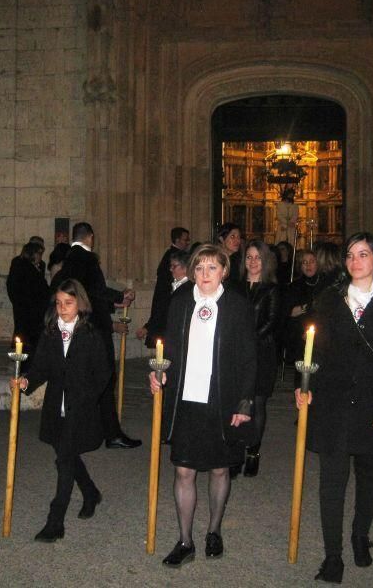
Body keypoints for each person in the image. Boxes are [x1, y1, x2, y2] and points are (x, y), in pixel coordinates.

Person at [295, 232, 373, 584]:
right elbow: (315, 350)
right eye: (350, 255)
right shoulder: (330, 298)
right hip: (333, 401)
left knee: (369, 475)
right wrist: (305, 387)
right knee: (332, 481)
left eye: (363, 254)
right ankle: (333, 556)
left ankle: (361, 535)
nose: (355, 261)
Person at [149, 243, 256, 567]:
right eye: (199, 268)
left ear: (224, 270)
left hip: (222, 398)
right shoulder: (181, 301)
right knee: (184, 470)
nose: (205, 274)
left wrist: (245, 401)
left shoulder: (238, 305)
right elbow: (166, 347)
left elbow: (250, 358)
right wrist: (158, 372)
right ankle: (185, 540)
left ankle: (213, 530)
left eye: (212, 267)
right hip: (187, 398)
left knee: (220, 467)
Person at [13, 279, 112, 542]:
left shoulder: (90, 334)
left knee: (64, 461)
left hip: (81, 407)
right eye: (58, 303)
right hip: (56, 406)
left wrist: (88, 398)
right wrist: (26, 381)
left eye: (68, 303)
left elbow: (103, 373)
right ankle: (90, 492)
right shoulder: (51, 332)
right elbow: (41, 367)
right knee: (65, 455)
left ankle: (55, 521)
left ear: (80, 303)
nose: (62, 308)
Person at [51, 222, 140, 449]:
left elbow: (83, 293)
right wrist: (119, 295)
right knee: (104, 378)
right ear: (90, 237)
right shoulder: (87, 258)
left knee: (88, 378)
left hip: (77, 327)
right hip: (94, 330)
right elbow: (94, 291)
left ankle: (97, 430)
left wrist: (114, 299)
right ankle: (110, 433)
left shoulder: (68, 259)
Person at [233, 239, 280, 478]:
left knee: (258, 402)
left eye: (257, 257)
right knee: (238, 400)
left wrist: (248, 341)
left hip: (262, 351)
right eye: (249, 257)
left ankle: (253, 451)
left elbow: (271, 322)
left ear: (265, 261)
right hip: (237, 353)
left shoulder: (271, 289)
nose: (252, 261)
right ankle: (234, 450)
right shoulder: (235, 286)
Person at [283, 249, 331, 367]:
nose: (308, 265)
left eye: (312, 261)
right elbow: (290, 312)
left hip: (323, 333)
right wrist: (309, 306)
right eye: (304, 262)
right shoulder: (295, 286)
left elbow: (327, 310)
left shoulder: (326, 284)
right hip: (301, 334)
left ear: (318, 263)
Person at [136, 249, 190, 347]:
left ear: (185, 268)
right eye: (171, 266)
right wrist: (148, 327)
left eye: (174, 266)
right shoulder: (173, 286)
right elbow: (162, 309)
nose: (170, 269)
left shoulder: (188, 289)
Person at [6, 242, 49, 364]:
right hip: (31, 311)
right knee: (28, 339)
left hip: (23, 308)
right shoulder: (28, 269)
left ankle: (23, 362)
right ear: (33, 254)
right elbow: (40, 289)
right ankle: (27, 364)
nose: (40, 257)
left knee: (23, 335)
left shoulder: (21, 265)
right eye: (39, 254)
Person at [216, 222, 243, 291]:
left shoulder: (240, 261)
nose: (237, 240)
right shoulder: (215, 259)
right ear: (221, 239)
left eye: (239, 237)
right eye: (232, 236)